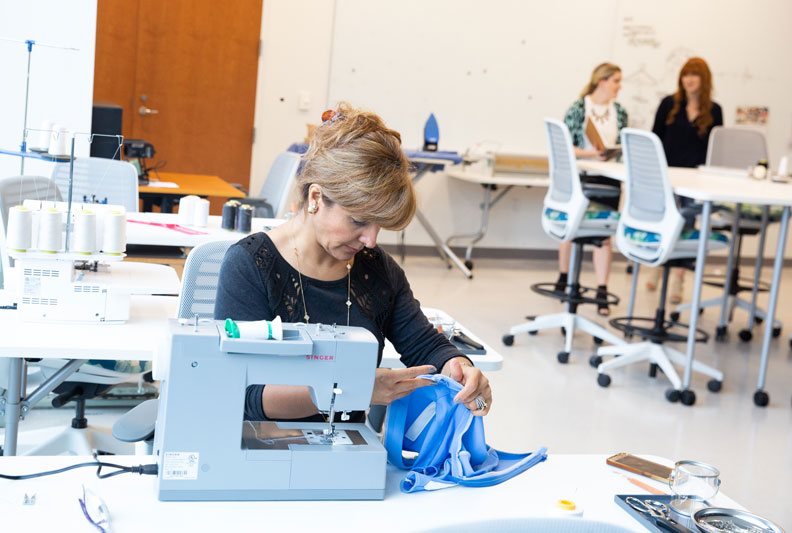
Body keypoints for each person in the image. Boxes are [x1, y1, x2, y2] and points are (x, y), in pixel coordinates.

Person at [215, 103, 492, 422]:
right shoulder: (250, 266)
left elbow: (426, 345)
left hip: (345, 450)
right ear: (316, 198)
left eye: (379, 226)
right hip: (257, 446)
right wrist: (349, 389)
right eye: (359, 221)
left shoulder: (377, 270)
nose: (371, 241)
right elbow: (242, 393)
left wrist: (463, 371)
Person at [648, 57, 723, 303]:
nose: (689, 79)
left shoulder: (714, 110)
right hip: (667, 174)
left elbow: (716, 149)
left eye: (694, 75)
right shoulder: (668, 104)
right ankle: (658, 265)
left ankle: (679, 278)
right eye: (685, 75)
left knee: (688, 224)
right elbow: (655, 139)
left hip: (695, 179)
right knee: (665, 220)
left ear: (704, 80)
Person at [561, 62, 628, 315]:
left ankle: (601, 288)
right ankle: (566, 279)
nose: (619, 86)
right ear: (602, 81)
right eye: (616, 81)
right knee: (572, 229)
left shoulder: (619, 111)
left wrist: (612, 155)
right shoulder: (579, 108)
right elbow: (566, 145)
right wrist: (593, 153)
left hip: (609, 176)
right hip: (581, 176)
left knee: (603, 234)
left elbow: (620, 143)